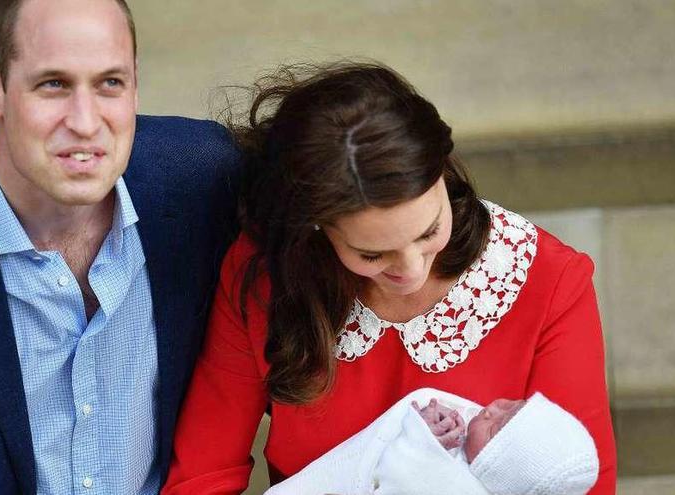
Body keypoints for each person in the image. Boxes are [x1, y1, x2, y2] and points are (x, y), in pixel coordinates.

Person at [161, 62, 616, 494]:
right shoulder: (267, 277)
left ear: (442, 172)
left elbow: (576, 481)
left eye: (429, 230)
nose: (411, 269)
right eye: (372, 253)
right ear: (315, 230)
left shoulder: (550, 280)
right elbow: (205, 473)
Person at [0, 0, 237, 493]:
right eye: (53, 84)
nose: (84, 121)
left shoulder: (205, 180)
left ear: (135, 83)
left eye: (109, 83)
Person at [264, 388, 599, 495]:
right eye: (512, 405)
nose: (493, 408)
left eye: (497, 427)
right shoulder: (465, 437)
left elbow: (395, 478)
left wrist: (420, 436)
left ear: (494, 470)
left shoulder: (453, 485)